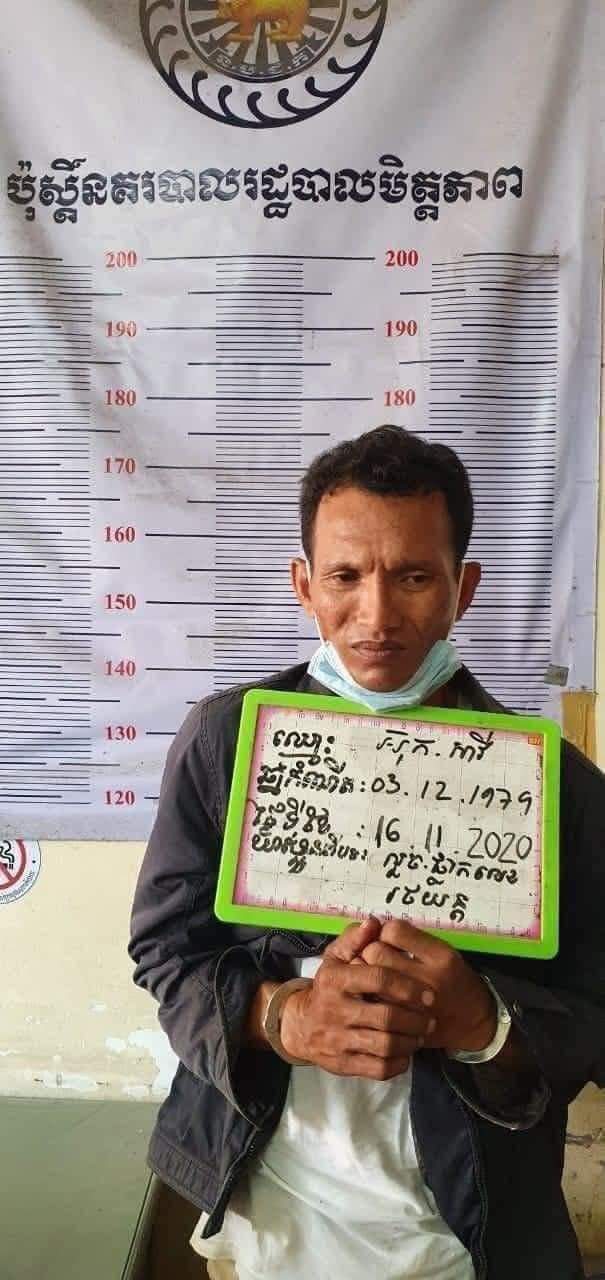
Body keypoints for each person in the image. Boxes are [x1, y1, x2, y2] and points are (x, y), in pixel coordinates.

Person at [129, 425, 605, 1280]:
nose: (376, 617)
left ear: (462, 588)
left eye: (413, 577)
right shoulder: (224, 742)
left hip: (470, 1229)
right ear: (303, 585)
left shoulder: (556, 785)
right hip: (265, 1206)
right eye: (345, 577)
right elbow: (166, 951)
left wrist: (484, 1023)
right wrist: (280, 1015)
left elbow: (596, 1008)